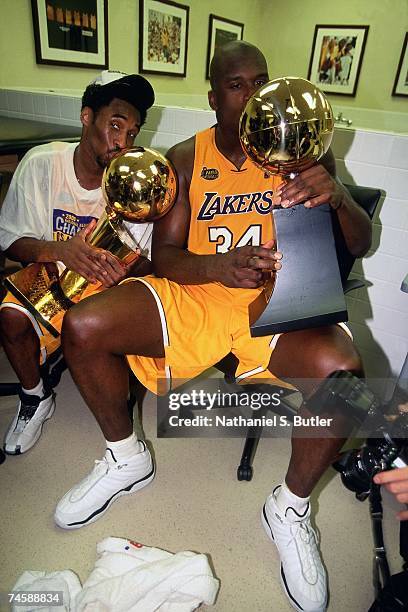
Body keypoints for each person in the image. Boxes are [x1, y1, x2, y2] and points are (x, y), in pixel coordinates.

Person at [58, 42, 372, 612]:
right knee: (82, 325)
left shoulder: (296, 149)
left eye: (261, 80)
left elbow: (358, 244)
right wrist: (218, 267)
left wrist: (339, 196)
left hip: (272, 304)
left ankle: (291, 507)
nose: (253, 95)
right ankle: (126, 457)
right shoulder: (186, 155)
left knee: (345, 376)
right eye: (236, 85)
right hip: (196, 294)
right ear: (213, 97)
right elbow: (167, 255)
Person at [0, 70, 155, 456]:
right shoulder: (42, 164)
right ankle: (35, 395)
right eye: (115, 125)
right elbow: (9, 242)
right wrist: (61, 250)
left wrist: (127, 269)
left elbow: (152, 264)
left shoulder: (134, 183)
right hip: (51, 273)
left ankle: (121, 422)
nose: (123, 141)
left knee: (117, 331)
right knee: (9, 317)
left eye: (133, 132)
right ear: (87, 117)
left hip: (105, 286)